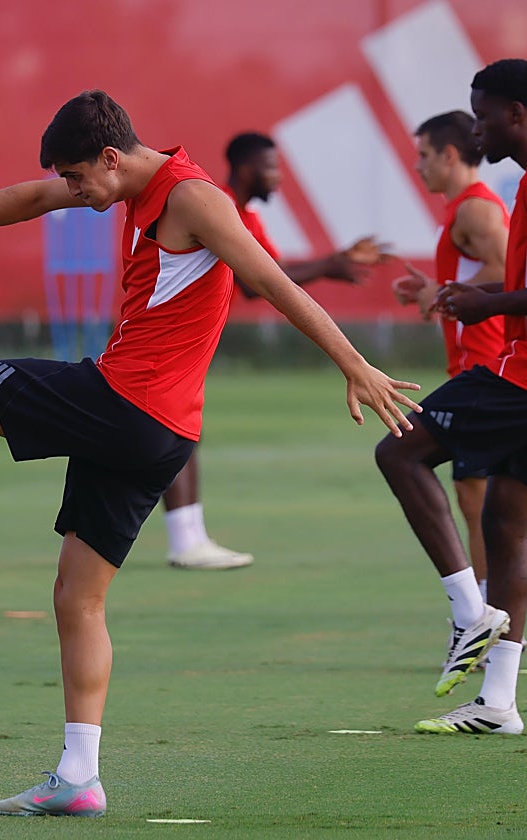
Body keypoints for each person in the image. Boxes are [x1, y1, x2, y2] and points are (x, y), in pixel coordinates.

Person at [0, 89, 419, 816]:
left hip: (125, 402)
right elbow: (34, 196)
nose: (72, 191)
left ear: (111, 157)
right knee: (77, 598)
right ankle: (79, 776)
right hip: (162, 434)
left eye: (78, 178)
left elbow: (270, 281)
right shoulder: (132, 189)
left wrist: (355, 363)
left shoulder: (191, 197)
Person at [376, 58, 527, 734]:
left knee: (399, 452)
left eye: (483, 113)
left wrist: (482, 300)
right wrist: (466, 299)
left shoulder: (485, 201)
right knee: (504, 523)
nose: (477, 126)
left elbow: (498, 279)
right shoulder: (518, 185)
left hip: (516, 374)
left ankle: (470, 614)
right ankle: (498, 702)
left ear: (516, 115)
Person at [161, 132, 388, 570]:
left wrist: (331, 262)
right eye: (272, 168)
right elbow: (253, 282)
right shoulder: (215, 204)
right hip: (170, 334)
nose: (279, 178)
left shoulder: (243, 215)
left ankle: (186, 538)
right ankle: (185, 540)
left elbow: (272, 275)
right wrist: (329, 265)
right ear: (247, 169)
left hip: (187, 338)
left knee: (175, 429)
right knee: (170, 429)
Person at [390, 110, 508, 614]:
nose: (417, 166)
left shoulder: (475, 209)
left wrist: (440, 292)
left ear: (450, 155)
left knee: (479, 501)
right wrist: (433, 294)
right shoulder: (463, 209)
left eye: (423, 155)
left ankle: (487, 617)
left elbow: (506, 268)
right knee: (476, 498)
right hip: (475, 366)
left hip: (489, 364)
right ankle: (489, 613)